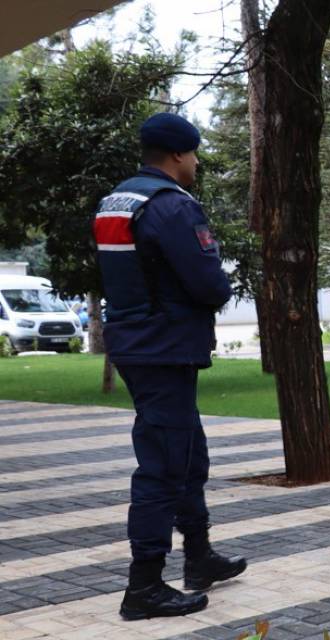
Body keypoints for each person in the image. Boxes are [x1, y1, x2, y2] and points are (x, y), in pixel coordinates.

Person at [94, 112, 246, 620]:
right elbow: (209, 283)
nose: (197, 164)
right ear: (178, 155)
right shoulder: (170, 206)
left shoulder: (118, 199)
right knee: (162, 465)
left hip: (138, 344)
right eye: (195, 155)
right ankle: (144, 586)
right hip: (165, 346)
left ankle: (199, 556)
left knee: (188, 451)